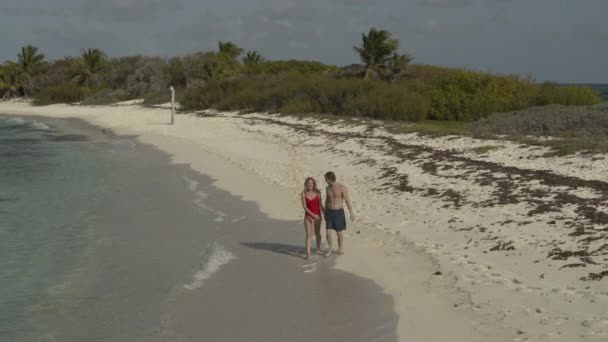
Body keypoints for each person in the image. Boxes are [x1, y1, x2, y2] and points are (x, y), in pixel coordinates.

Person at [324, 171, 355, 256]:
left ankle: (340, 248)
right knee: (328, 232)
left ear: (330, 179)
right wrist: (324, 211)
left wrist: (351, 213)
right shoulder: (327, 188)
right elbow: (327, 200)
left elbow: (347, 200)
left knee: (339, 232)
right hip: (329, 212)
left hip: (338, 212)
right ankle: (330, 248)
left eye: (326, 179)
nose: (325, 181)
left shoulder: (342, 187)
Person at [301, 177, 324, 259]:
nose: (310, 185)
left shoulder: (318, 192)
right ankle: (308, 253)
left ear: (314, 184)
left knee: (318, 233)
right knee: (309, 235)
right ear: (306, 184)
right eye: (308, 183)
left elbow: (320, 205)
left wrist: (325, 214)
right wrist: (312, 215)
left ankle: (318, 249)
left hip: (318, 215)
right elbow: (305, 207)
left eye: (312, 183)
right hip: (308, 216)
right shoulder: (303, 193)